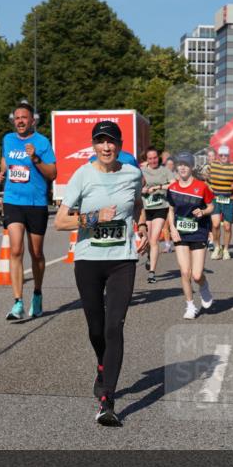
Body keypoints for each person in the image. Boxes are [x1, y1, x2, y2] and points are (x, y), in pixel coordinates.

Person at [54, 121, 148, 427]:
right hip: (89, 260)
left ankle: (107, 400)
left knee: (113, 326)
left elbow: (138, 204)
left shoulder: (132, 174)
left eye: (111, 142)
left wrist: (142, 227)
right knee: (96, 329)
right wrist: (94, 218)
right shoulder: (82, 175)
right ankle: (102, 365)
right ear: (94, 145)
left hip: (122, 260)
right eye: (101, 141)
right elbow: (60, 222)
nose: (106, 147)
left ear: (119, 145)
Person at [0, 102, 58, 320]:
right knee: (16, 250)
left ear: (32, 120)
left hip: (36, 203)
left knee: (36, 253)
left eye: (24, 118)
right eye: (17, 118)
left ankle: (37, 293)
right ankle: (17, 302)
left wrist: (36, 159)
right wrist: (1, 172)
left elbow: (53, 173)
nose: (20, 121)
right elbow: (5, 159)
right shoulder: (8, 139)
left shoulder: (42, 142)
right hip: (13, 200)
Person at [166, 151, 215, 319]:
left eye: (186, 165)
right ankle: (190, 306)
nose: (182, 168)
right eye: (180, 165)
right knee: (185, 272)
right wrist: (172, 228)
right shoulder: (172, 188)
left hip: (199, 232)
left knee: (196, 274)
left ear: (192, 167)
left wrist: (203, 211)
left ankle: (203, 285)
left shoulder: (202, 187)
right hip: (180, 233)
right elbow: (170, 210)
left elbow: (211, 206)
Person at [140, 147, 173, 283]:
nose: (153, 161)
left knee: (154, 240)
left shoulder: (165, 171)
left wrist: (158, 187)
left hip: (160, 208)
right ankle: (149, 256)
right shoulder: (141, 171)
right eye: (150, 158)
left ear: (158, 157)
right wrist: (142, 189)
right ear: (146, 159)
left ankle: (152, 273)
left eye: (155, 158)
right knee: (148, 240)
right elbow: (135, 186)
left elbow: (173, 184)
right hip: (146, 209)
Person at [207, 144, 233, 261]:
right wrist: (209, 187)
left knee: (227, 226)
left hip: (228, 199)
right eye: (221, 155)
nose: (223, 157)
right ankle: (217, 247)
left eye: (225, 155)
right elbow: (205, 179)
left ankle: (226, 249)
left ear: (228, 156)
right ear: (218, 156)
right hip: (215, 198)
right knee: (215, 224)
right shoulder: (212, 165)